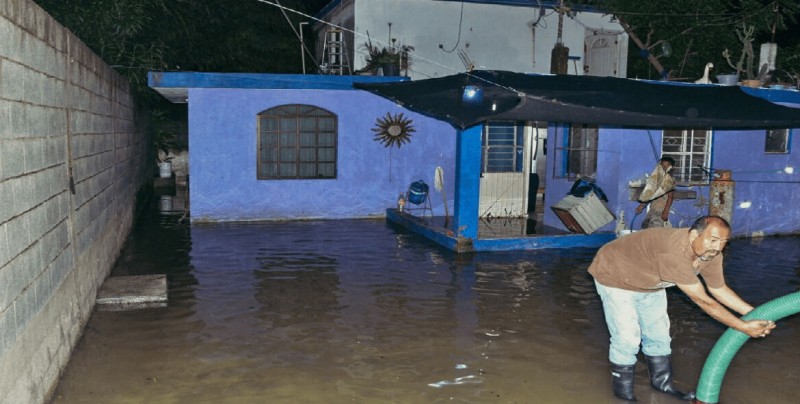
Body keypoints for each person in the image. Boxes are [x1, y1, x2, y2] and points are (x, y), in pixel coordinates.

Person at [588, 215, 776, 401]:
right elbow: (704, 300)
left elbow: (719, 290)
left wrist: (758, 315)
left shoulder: (711, 254)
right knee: (627, 339)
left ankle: (662, 384)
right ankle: (624, 395)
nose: (718, 247)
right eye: (713, 240)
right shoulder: (674, 253)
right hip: (615, 276)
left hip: (651, 281)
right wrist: (742, 326)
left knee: (659, 335)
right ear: (694, 235)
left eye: (724, 242)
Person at [636, 157, 676, 229]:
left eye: (666, 166)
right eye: (662, 165)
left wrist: (665, 212)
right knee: (645, 226)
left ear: (671, 167)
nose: (664, 168)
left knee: (654, 231)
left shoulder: (669, 180)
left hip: (660, 210)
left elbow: (671, 197)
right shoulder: (657, 179)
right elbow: (650, 194)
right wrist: (641, 206)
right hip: (653, 209)